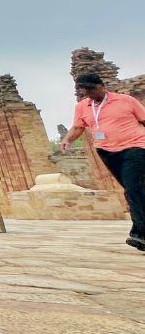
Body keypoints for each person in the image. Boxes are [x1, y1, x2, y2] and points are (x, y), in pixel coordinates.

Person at [59, 73, 145, 252]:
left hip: (135, 146)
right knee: (134, 189)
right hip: (106, 151)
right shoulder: (83, 106)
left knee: (133, 188)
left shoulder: (125, 101)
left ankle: (139, 233)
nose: (89, 93)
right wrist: (67, 140)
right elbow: (78, 127)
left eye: (91, 89)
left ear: (102, 86)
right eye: (85, 90)